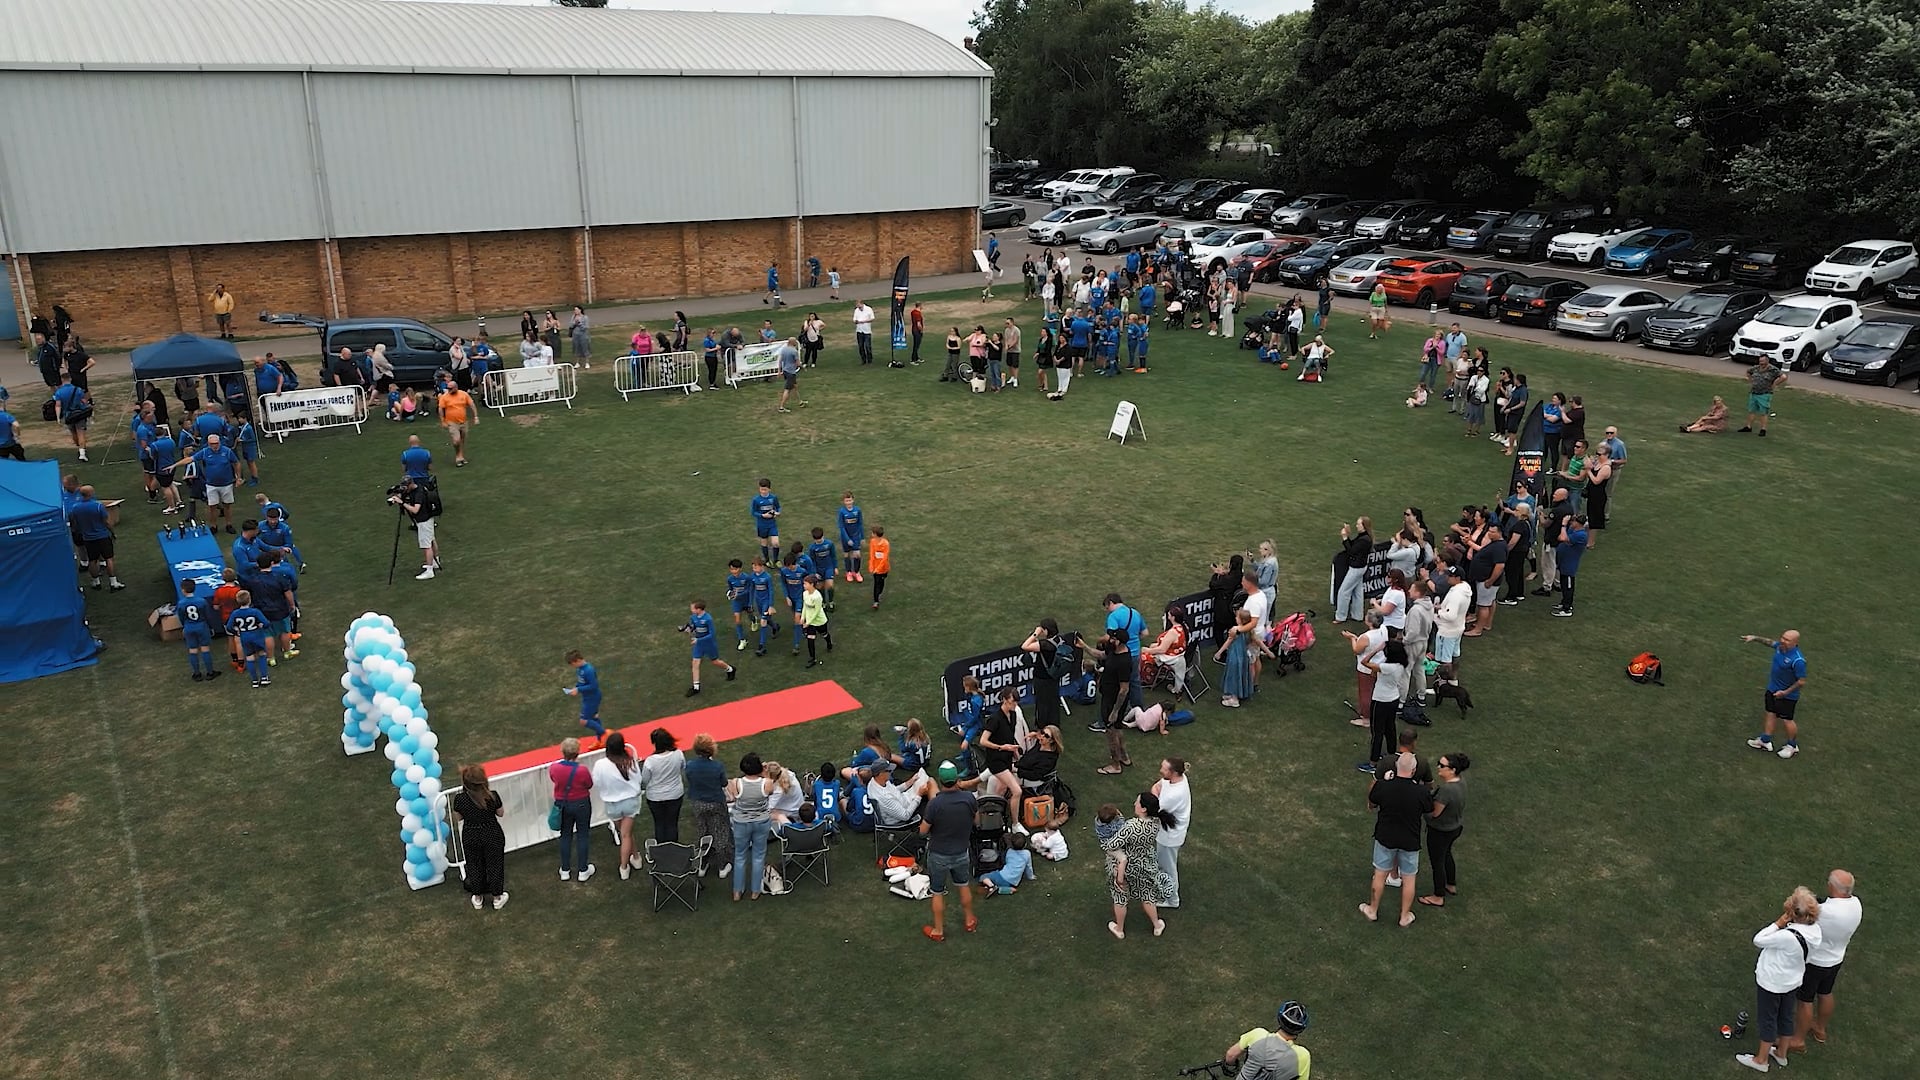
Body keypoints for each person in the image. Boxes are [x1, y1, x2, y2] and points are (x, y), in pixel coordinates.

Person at [1738, 887, 1823, 1073]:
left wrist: (1778, 923)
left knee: (1768, 1019)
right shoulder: (1816, 931)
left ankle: (1761, 1060)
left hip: (1772, 982)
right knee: (1785, 1016)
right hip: (1792, 981)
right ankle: (1781, 1054)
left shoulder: (1787, 936)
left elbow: (1758, 940)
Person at [1788, 869, 1862, 1056]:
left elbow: (1802, 914)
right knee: (1826, 993)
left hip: (1816, 961)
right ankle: (1820, 1029)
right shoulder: (1856, 904)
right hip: (1836, 959)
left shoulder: (1826, 911)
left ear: (1832, 886)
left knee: (1805, 1000)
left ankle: (1798, 1040)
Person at [1361, 753, 1432, 928]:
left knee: (1379, 874)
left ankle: (1373, 910)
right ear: (1414, 770)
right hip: (1410, 840)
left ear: (1396, 767)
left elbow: (1371, 804)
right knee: (1409, 879)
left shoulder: (1384, 786)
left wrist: (1381, 783)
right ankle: (1404, 916)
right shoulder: (1421, 792)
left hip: (1386, 837)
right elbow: (1429, 810)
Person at [919, 761, 979, 941]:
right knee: (963, 885)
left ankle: (938, 931)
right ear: (956, 779)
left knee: (937, 891)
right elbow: (977, 822)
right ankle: (969, 920)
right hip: (961, 852)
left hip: (938, 855)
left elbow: (923, 831)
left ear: (941, 780)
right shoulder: (969, 799)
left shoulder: (935, 804)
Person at [1102, 793, 1170, 939]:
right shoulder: (1156, 821)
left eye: (1137, 802)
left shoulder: (1131, 826)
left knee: (1120, 896)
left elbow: (1111, 845)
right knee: (1147, 894)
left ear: (1144, 808)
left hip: (1127, 868)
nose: (1134, 803)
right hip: (1144, 865)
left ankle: (1119, 929)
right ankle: (1157, 925)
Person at [1742, 630, 1808, 759]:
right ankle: (1765, 740)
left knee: (1787, 720)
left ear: (1795, 642)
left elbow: (1801, 682)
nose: (1783, 640)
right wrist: (1754, 637)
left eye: (1787, 639)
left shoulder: (1798, 660)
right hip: (1772, 689)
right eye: (1783, 637)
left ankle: (1792, 746)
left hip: (1787, 696)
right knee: (1770, 712)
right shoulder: (1780, 647)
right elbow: (1770, 642)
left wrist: (1785, 692)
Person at [451, 763, 508, 910]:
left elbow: (459, 818)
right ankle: (497, 897)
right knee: (495, 865)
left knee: (474, 865)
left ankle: (477, 897)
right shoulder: (492, 796)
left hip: (471, 834)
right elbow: (501, 813)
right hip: (492, 833)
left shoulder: (460, 799)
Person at [589, 732, 643, 880]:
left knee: (625, 834)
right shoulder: (630, 761)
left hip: (613, 805)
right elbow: (639, 779)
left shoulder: (600, 765)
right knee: (627, 834)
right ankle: (632, 861)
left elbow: (597, 783)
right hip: (630, 803)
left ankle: (628, 864)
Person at [1418, 753, 1469, 907]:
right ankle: (1451, 884)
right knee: (1447, 854)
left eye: (1442, 765)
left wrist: (1421, 807)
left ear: (1452, 769)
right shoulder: (1461, 782)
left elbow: (1434, 814)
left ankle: (1438, 895)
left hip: (1441, 831)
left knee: (1437, 862)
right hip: (1455, 827)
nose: (1438, 767)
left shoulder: (1447, 790)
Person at [1222, 1002, 1313, 1080]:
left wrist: (1230, 1065)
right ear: (1301, 1029)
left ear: (1279, 1019)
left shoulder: (1258, 1035)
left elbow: (1230, 1055)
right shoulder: (1303, 1056)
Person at [726, 752, 773, 900]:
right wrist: (764, 773)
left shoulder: (735, 783)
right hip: (761, 822)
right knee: (758, 856)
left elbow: (733, 797)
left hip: (741, 823)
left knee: (740, 856)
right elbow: (770, 789)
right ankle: (755, 891)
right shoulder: (766, 783)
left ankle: (737, 891)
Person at [548, 738, 594, 882]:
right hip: (581, 805)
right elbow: (589, 784)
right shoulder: (582, 770)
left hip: (564, 805)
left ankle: (565, 870)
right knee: (582, 835)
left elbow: (554, 779)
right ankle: (582, 870)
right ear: (577, 752)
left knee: (565, 835)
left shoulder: (554, 768)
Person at [685, 733, 730, 877]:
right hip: (715, 802)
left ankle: (702, 864)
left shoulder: (690, 766)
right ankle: (722, 866)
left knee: (702, 831)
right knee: (720, 831)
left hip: (698, 803)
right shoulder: (717, 766)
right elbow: (724, 783)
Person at [1151, 757, 1191, 909]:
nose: (1161, 771)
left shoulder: (1173, 795)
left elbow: (1152, 805)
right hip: (1167, 832)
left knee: (1168, 869)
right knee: (1165, 865)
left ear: (1173, 772)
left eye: (1164, 769)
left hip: (1169, 837)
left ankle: (1172, 900)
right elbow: (1156, 787)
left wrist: (1154, 798)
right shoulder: (1177, 778)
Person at [68, 485, 124, 591]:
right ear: (90, 494)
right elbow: (106, 522)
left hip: (88, 538)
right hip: (102, 536)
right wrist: (112, 532)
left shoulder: (75, 507)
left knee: (92, 560)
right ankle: (113, 582)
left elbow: (75, 523)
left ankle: (96, 582)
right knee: (109, 558)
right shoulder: (98, 506)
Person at [681, 599, 737, 696]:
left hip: (708, 644)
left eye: (693, 608)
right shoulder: (693, 617)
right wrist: (688, 629)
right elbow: (693, 626)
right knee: (695, 663)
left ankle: (730, 669)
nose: (691, 610)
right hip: (699, 645)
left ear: (699, 609)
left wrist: (698, 640)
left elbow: (712, 635)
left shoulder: (708, 619)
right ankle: (696, 687)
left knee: (715, 661)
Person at [639, 727, 686, 844]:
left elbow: (644, 780)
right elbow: (683, 767)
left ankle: (662, 850)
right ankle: (673, 849)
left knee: (659, 824)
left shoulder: (650, 761)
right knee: (672, 823)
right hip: (675, 795)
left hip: (655, 798)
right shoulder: (678, 754)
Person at [394, 476, 441, 581]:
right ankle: (435, 562)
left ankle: (429, 571)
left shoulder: (418, 493)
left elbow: (415, 510)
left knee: (426, 545)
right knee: (431, 540)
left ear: (410, 484)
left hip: (424, 521)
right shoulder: (417, 488)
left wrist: (402, 503)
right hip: (427, 519)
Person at [176, 578, 220, 681]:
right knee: (205, 648)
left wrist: (184, 626)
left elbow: (181, 617)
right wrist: (210, 626)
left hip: (189, 627)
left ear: (183, 590)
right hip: (202, 626)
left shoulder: (181, 603)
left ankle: (197, 674)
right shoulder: (201, 601)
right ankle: (210, 672)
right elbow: (208, 615)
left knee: (193, 650)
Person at [226, 589, 272, 687]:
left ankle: (254, 680)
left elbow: (229, 626)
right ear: (249, 600)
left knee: (250, 657)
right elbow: (266, 623)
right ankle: (264, 677)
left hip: (245, 636)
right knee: (262, 654)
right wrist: (261, 626)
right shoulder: (255, 611)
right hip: (257, 635)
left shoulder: (235, 613)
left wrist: (236, 631)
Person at [1334, 517, 1373, 623]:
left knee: (1343, 592)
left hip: (1356, 568)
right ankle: (1358, 615)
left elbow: (1351, 551)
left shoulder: (1364, 540)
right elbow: (1354, 547)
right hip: (1360, 567)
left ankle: (1340, 616)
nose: (1356, 525)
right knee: (1358, 592)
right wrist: (1348, 535)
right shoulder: (1364, 537)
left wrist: (1345, 537)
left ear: (1364, 526)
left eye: (1358, 524)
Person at [562, 649, 604, 740]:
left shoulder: (589, 670)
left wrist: (578, 689)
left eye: (573, 664)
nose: (573, 666)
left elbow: (594, 686)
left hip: (592, 698)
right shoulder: (579, 669)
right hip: (587, 697)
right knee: (594, 717)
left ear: (577, 660)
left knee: (584, 721)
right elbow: (581, 682)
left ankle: (604, 734)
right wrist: (575, 688)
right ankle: (600, 739)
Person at [52, 372, 93, 462]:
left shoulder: (59, 392)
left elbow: (58, 405)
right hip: (79, 414)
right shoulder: (78, 390)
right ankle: (82, 453)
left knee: (73, 433)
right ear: (70, 379)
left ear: (62, 380)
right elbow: (84, 401)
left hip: (69, 416)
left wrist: (58, 417)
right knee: (81, 433)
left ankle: (79, 447)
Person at [1552, 514, 1588, 617]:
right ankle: (1564, 603)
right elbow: (1561, 537)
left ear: (1578, 523)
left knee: (1568, 586)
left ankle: (1567, 608)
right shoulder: (1574, 531)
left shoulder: (1581, 534)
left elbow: (1563, 537)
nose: (1571, 523)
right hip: (1564, 562)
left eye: (1573, 521)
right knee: (1563, 585)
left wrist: (1563, 525)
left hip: (1569, 564)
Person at [1743, 355, 1786, 436]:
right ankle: (1748, 427)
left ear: (1767, 361)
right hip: (1754, 392)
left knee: (1763, 412)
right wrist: (1751, 381)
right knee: (1751, 410)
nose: (1761, 363)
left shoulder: (1773, 369)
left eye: (1762, 361)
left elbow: (1783, 377)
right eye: (1760, 361)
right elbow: (1748, 372)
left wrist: (1775, 384)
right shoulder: (1756, 368)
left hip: (1764, 394)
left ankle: (1763, 429)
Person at [437, 380, 476, 467]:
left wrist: (475, 416)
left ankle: (461, 457)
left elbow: (472, 404)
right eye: (448, 388)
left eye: (450, 388)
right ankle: (458, 456)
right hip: (452, 422)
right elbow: (440, 409)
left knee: (462, 440)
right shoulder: (445, 397)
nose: (448, 390)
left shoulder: (463, 394)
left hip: (463, 421)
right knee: (456, 441)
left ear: (456, 388)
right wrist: (443, 421)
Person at [750, 477, 781, 567]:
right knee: (764, 542)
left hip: (772, 524)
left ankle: (776, 560)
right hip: (762, 524)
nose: (763, 491)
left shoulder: (773, 498)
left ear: (769, 489)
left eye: (765, 489)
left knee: (776, 542)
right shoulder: (756, 500)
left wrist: (777, 513)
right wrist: (763, 515)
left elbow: (778, 507)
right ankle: (767, 560)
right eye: (761, 489)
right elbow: (753, 512)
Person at [868, 525, 891, 609]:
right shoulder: (872, 542)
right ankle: (876, 601)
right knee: (876, 583)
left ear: (876, 534)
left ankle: (879, 594)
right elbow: (872, 554)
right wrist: (871, 566)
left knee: (881, 583)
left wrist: (878, 568)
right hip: (875, 568)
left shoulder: (885, 544)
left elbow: (884, 558)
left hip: (883, 568)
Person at [852, 300, 875, 364]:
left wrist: (864, 321)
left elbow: (872, 318)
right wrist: (856, 321)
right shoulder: (856, 310)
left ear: (862, 304)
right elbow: (854, 319)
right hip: (859, 330)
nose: (857, 306)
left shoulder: (868, 309)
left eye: (858, 305)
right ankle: (863, 359)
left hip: (867, 331)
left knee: (868, 346)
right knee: (861, 346)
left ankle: (869, 359)